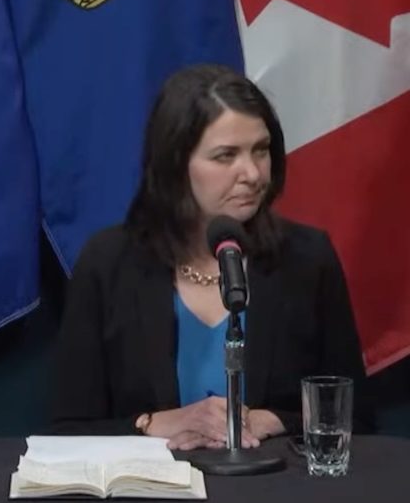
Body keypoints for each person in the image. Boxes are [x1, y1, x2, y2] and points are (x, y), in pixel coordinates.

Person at [50, 64, 373, 450]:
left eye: (261, 150)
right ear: (175, 165)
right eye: (225, 156)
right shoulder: (109, 262)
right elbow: (66, 431)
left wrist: (271, 419)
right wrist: (154, 424)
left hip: (274, 498)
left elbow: (357, 418)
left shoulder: (307, 258)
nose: (252, 173)